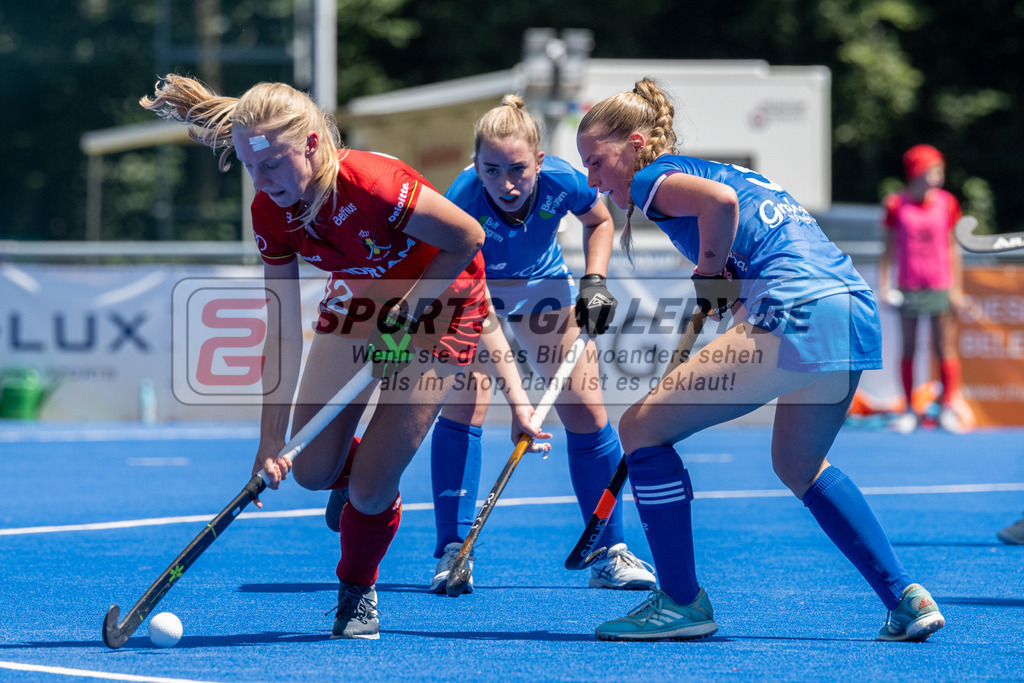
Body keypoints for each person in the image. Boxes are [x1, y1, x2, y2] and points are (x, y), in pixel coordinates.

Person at [140, 75, 546, 640]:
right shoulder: (269, 211)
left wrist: (406, 313)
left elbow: (469, 237)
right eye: (251, 167)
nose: (262, 181)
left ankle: (357, 589)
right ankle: (357, 481)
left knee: (371, 490)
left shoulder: (375, 185)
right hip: (358, 302)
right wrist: (268, 442)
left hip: (443, 307)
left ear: (311, 144)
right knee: (310, 469)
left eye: (274, 164)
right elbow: (280, 328)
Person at [575, 78, 945, 642]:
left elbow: (718, 210)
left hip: (797, 309)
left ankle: (679, 601)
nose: (593, 179)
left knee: (640, 429)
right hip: (848, 306)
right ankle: (904, 596)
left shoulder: (655, 178)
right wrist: (729, 285)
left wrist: (708, 275)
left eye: (597, 162)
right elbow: (753, 235)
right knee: (798, 465)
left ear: (637, 143)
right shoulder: (721, 171)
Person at [421, 94, 655, 593]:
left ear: (540, 162)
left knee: (587, 412)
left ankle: (608, 549)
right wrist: (520, 404)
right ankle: (451, 549)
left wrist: (594, 280)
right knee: (469, 402)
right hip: (471, 292)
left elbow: (600, 220)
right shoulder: (461, 200)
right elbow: (478, 316)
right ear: (474, 165)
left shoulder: (564, 180)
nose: (505, 184)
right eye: (491, 169)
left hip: (542, 286)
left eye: (518, 169)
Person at [877, 144, 966, 434]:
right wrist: (883, 285)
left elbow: (953, 247)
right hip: (908, 286)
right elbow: (887, 249)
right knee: (909, 348)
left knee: (945, 348)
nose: (939, 176)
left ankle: (948, 408)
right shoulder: (895, 205)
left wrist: (956, 287)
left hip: (941, 284)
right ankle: (910, 410)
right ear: (918, 172)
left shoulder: (948, 203)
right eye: (934, 170)